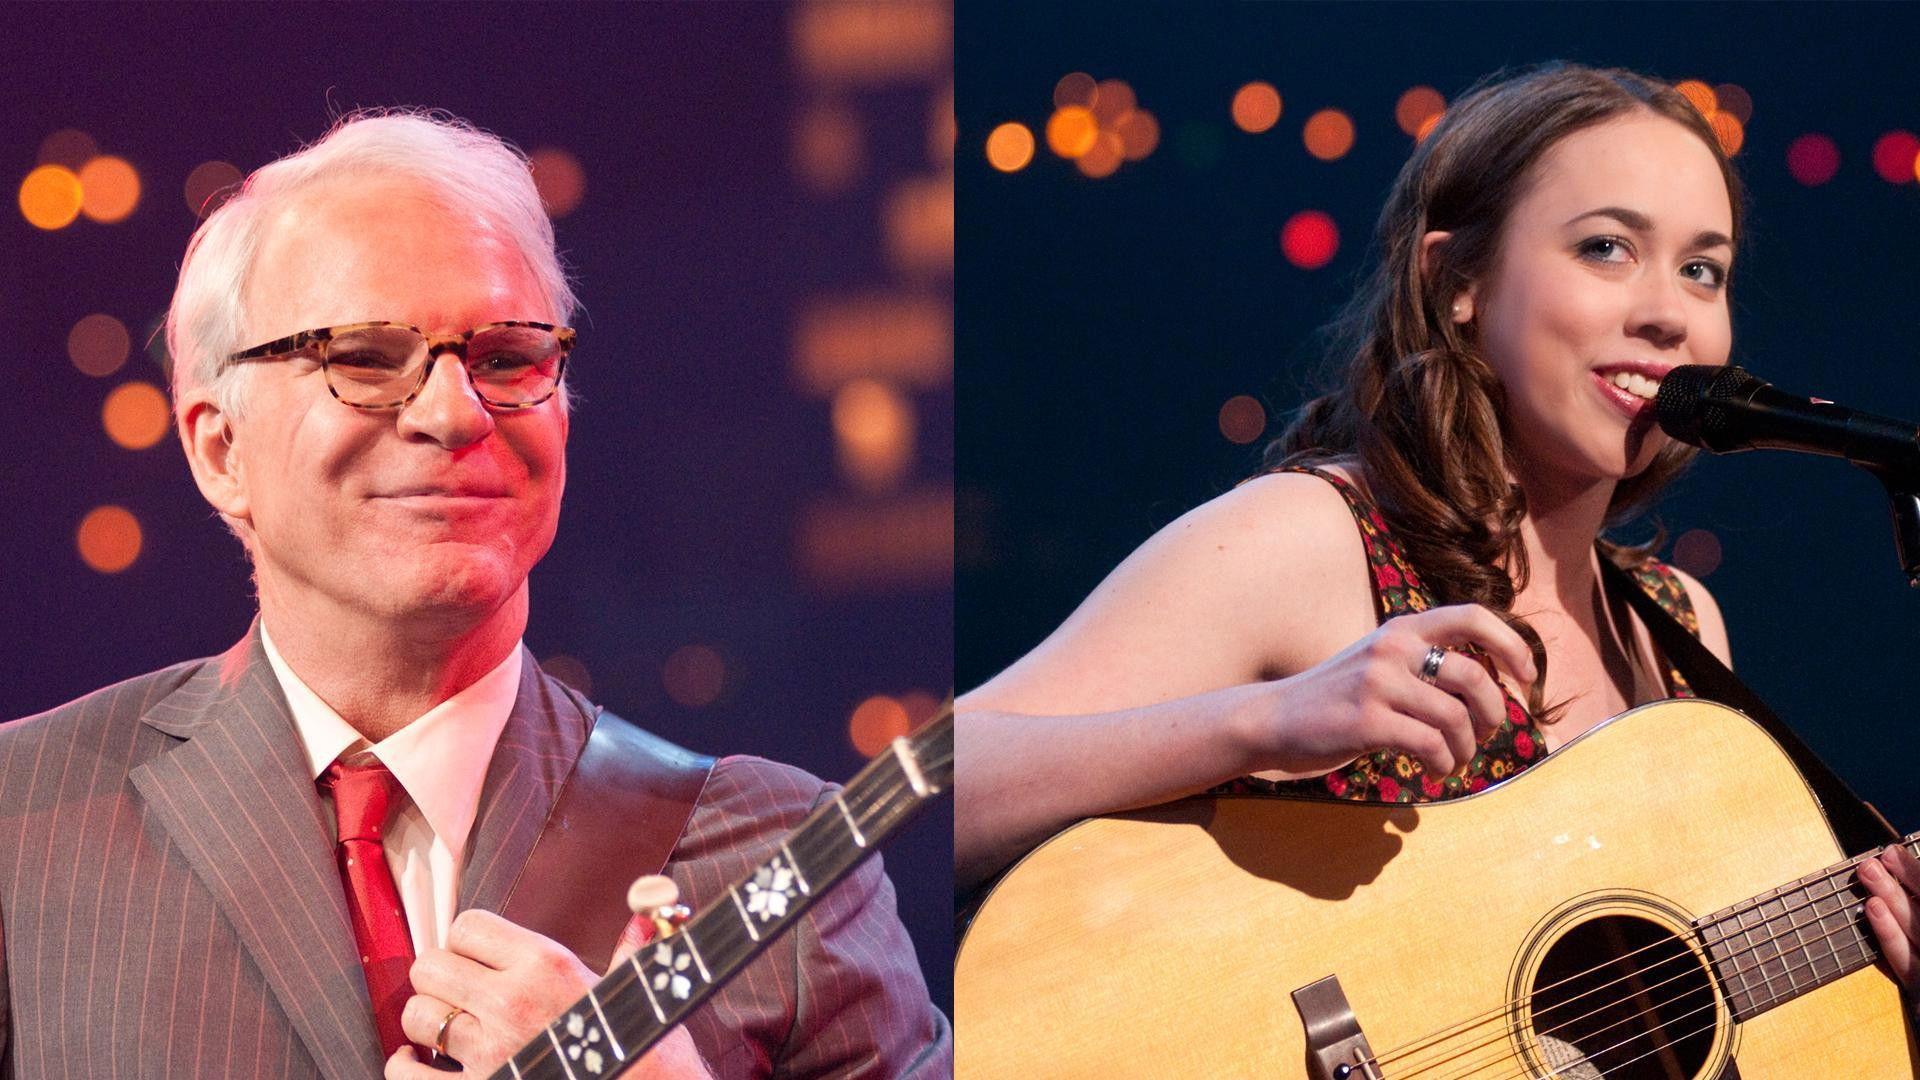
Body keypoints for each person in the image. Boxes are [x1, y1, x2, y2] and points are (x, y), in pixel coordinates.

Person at [0, 111, 950, 1079]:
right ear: (219, 449)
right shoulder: (18, 826)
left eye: (506, 358)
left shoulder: (781, 862)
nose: (456, 412)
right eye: (364, 358)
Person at [957, 63, 1920, 993]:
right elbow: (906, 803)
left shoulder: (1678, 635)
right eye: (1606, 248)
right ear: (1459, 279)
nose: (1669, 313)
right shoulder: (1316, 540)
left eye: (1704, 270)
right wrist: (1263, 722)